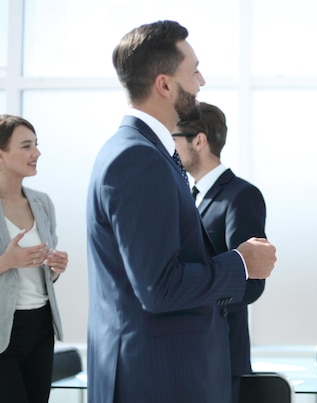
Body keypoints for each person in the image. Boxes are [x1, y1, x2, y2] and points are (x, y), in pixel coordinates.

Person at [86, 20, 276, 403]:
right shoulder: (138, 159)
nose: (202, 81)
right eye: (194, 70)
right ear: (165, 84)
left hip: (162, 373)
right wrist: (241, 264)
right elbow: (159, 287)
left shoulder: (144, 153)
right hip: (158, 380)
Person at [174, 102, 267, 403]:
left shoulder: (240, 196)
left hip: (219, 351)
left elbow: (252, 282)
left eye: (175, 137)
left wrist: (193, 299)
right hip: (185, 350)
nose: (170, 147)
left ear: (198, 140)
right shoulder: (186, 196)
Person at [0, 114, 69, 403]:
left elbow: (42, 269)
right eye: (26, 146)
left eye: (36, 145)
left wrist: (55, 268)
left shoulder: (42, 202)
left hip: (40, 327)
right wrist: (7, 261)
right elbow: (13, 264)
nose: (36, 153)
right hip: (4, 331)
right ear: (2, 154)